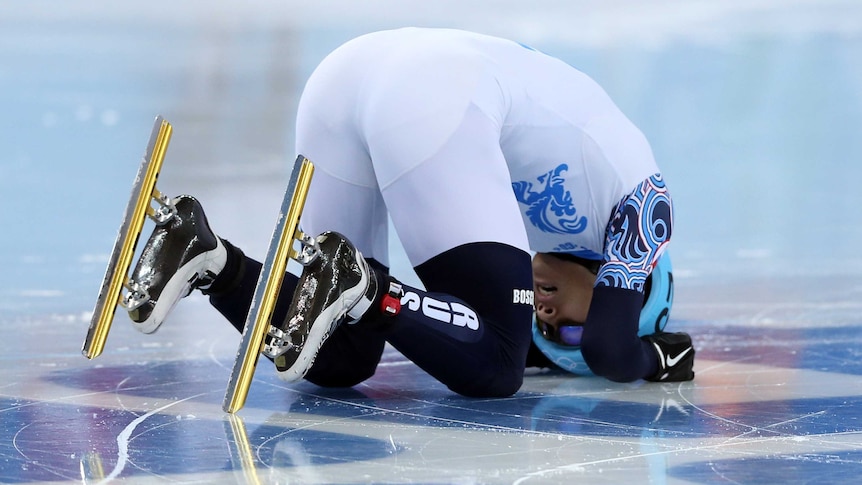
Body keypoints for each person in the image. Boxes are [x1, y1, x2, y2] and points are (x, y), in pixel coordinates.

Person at [125, 27, 694, 398]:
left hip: (344, 76)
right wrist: (660, 357)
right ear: (636, 288)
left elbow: (529, 333)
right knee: (499, 365)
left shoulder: (540, 221)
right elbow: (610, 351)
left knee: (341, 356)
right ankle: (368, 286)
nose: (546, 318)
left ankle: (208, 258)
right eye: (570, 322)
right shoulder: (644, 211)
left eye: (550, 331)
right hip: (438, 89)